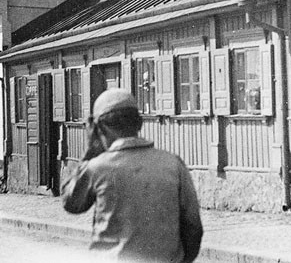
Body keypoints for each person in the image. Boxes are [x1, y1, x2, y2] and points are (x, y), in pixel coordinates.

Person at [62, 89, 203, 262]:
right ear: (139, 123)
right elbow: (193, 228)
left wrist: (89, 151)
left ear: (98, 129)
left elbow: (71, 203)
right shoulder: (173, 164)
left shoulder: (97, 168)